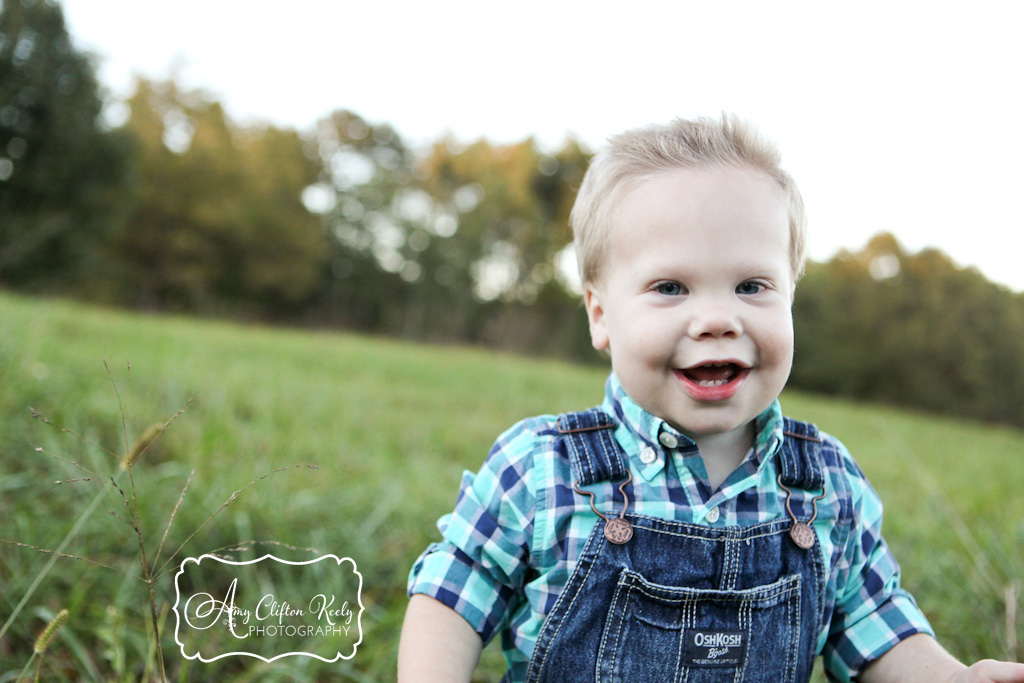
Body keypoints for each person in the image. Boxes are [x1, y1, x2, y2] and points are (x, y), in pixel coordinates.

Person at [397, 116, 1024, 683]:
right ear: (601, 315)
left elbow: (873, 623)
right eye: (671, 287)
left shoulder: (826, 485)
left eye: (752, 285)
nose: (718, 318)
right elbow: (454, 592)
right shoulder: (541, 468)